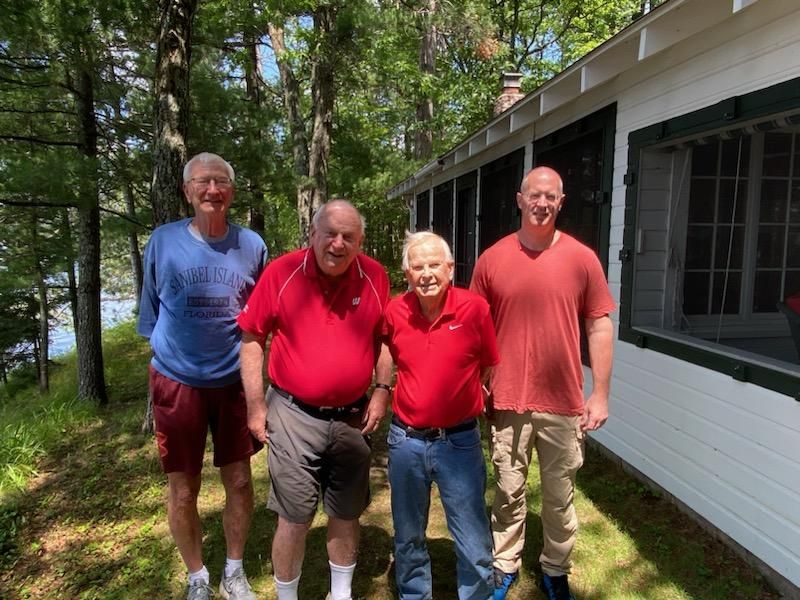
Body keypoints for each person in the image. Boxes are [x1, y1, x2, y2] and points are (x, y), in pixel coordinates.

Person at [470, 166, 616, 600]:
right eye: (534, 195)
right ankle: (504, 564)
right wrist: (476, 383)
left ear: (561, 202)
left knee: (558, 497)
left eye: (551, 196)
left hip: (563, 401)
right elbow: (474, 329)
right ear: (520, 200)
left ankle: (555, 569)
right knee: (508, 490)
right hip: (508, 398)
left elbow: (599, 326)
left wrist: (600, 394)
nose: (542, 203)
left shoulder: (582, 259)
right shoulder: (492, 259)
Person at [237, 199, 391, 600]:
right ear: (312, 234)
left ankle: (341, 594)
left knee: (346, 511)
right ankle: (287, 596)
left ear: (360, 241)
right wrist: (255, 405)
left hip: (353, 416)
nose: (338, 244)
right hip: (293, 414)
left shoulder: (374, 276)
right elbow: (252, 338)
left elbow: (383, 339)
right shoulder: (282, 272)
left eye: (348, 237)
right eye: (330, 234)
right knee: (294, 516)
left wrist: (381, 389)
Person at [137, 152, 268, 600]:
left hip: (233, 382)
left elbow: (260, 318)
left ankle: (234, 571)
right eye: (202, 182)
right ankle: (197, 577)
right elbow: (150, 311)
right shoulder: (163, 241)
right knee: (182, 489)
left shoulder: (252, 245)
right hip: (177, 382)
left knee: (240, 481)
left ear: (232, 191)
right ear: (187, 190)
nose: (212, 190)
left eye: (221, 182)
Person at [381, 231, 498, 599]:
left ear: (450, 268)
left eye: (435, 265)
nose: (427, 274)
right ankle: (414, 594)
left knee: (473, 537)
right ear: (407, 274)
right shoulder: (395, 311)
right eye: (418, 267)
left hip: (459, 442)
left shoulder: (475, 309)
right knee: (408, 535)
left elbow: (487, 364)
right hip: (406, 442)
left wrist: (463, 396)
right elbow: (387, 351)